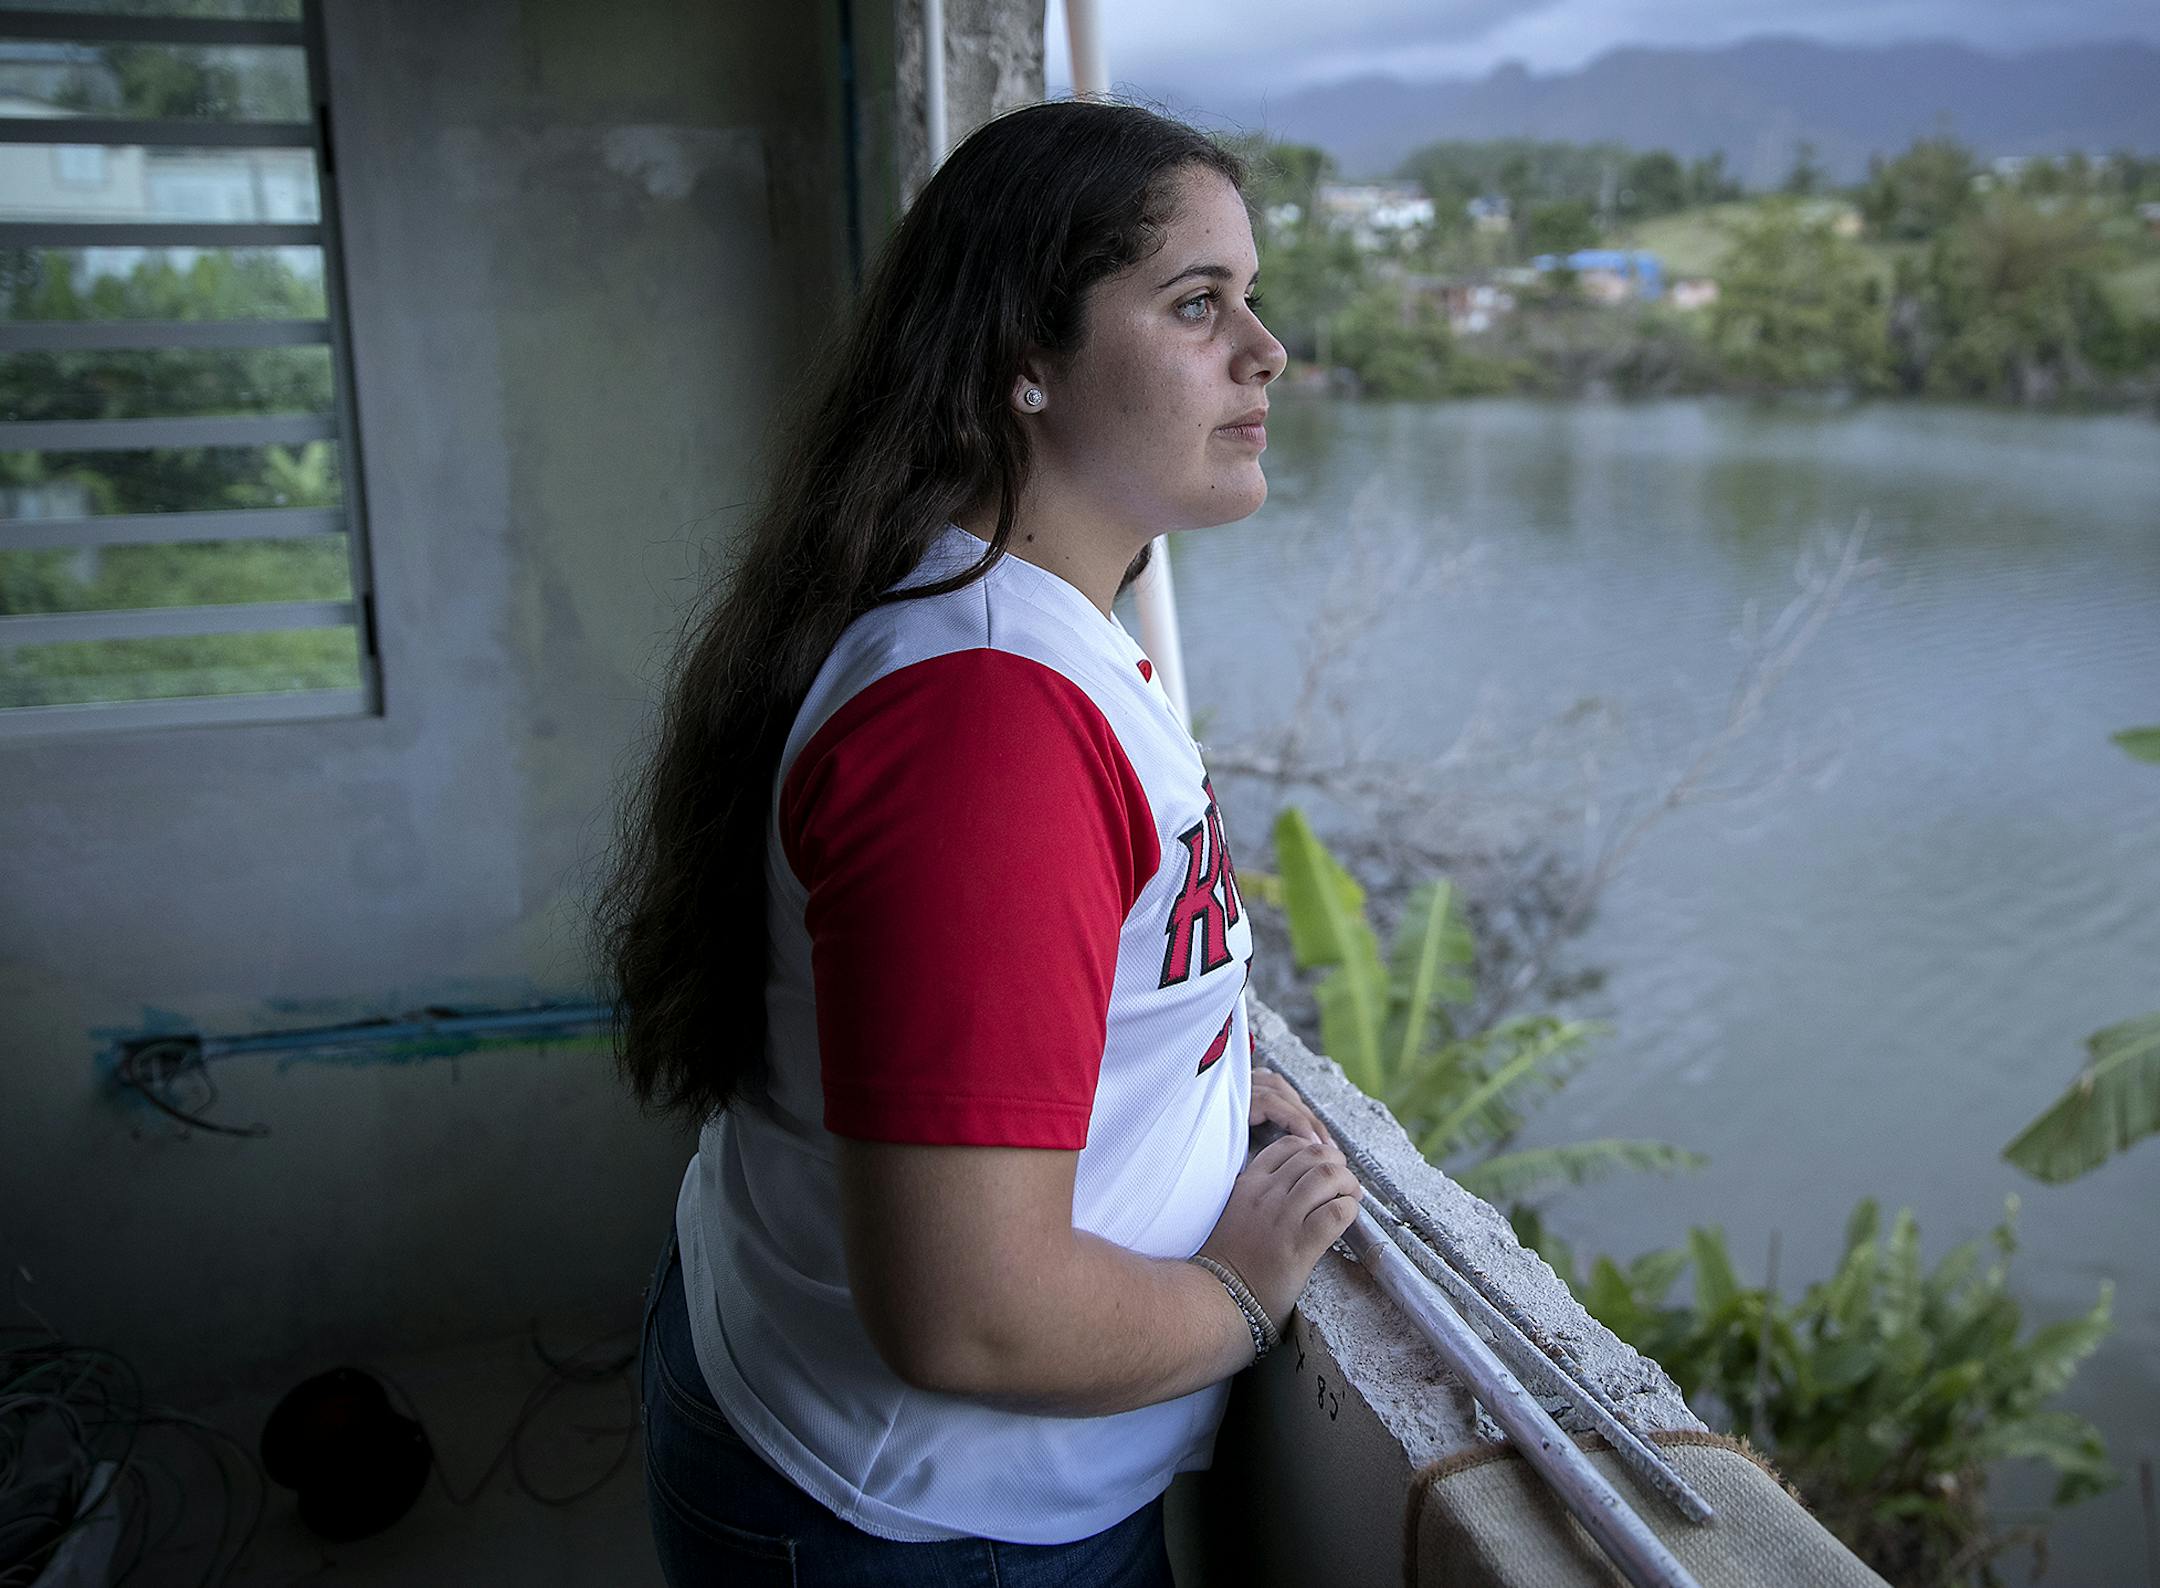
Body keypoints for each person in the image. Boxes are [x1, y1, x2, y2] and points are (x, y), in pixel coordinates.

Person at [598, 97, 1364, 1587]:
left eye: (1252, 299)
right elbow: (974, 1315)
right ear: (1024, 357)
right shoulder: (988, 722)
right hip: (928, 1526)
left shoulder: (1011, 618)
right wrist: (1240, 1296)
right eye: (1197, 303)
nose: (1266, 351)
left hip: (844, 1426)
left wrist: (1197, 1078)